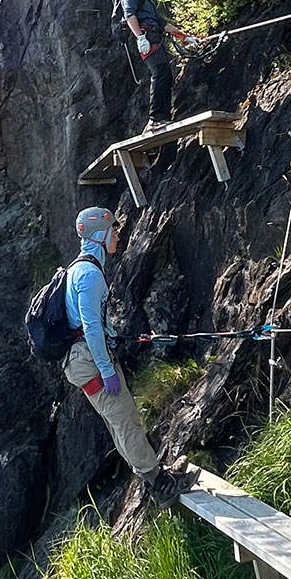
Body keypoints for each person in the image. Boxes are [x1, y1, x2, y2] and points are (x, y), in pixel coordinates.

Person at [63, 206, 187, 503]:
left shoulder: (78, 269)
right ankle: (160, 485)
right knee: (125, 419)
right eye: (114, 231)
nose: (118, 235)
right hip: (91, 361)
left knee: (118, 420)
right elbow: (91, 327)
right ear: (100, 235)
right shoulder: (90, 275)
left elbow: (89, 324)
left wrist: (114, 338)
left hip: (80, 359)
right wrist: (106, 369)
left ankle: (148, 474)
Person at [118, 0, 196, 134]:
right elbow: (130, 15)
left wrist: (185, 37)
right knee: (160, 73)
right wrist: (140, 37)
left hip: (152, 37)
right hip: (145, 38)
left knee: (165, 75)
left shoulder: (146, 0)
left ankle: (163, 117)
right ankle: (155, 119)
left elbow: (163, 23)